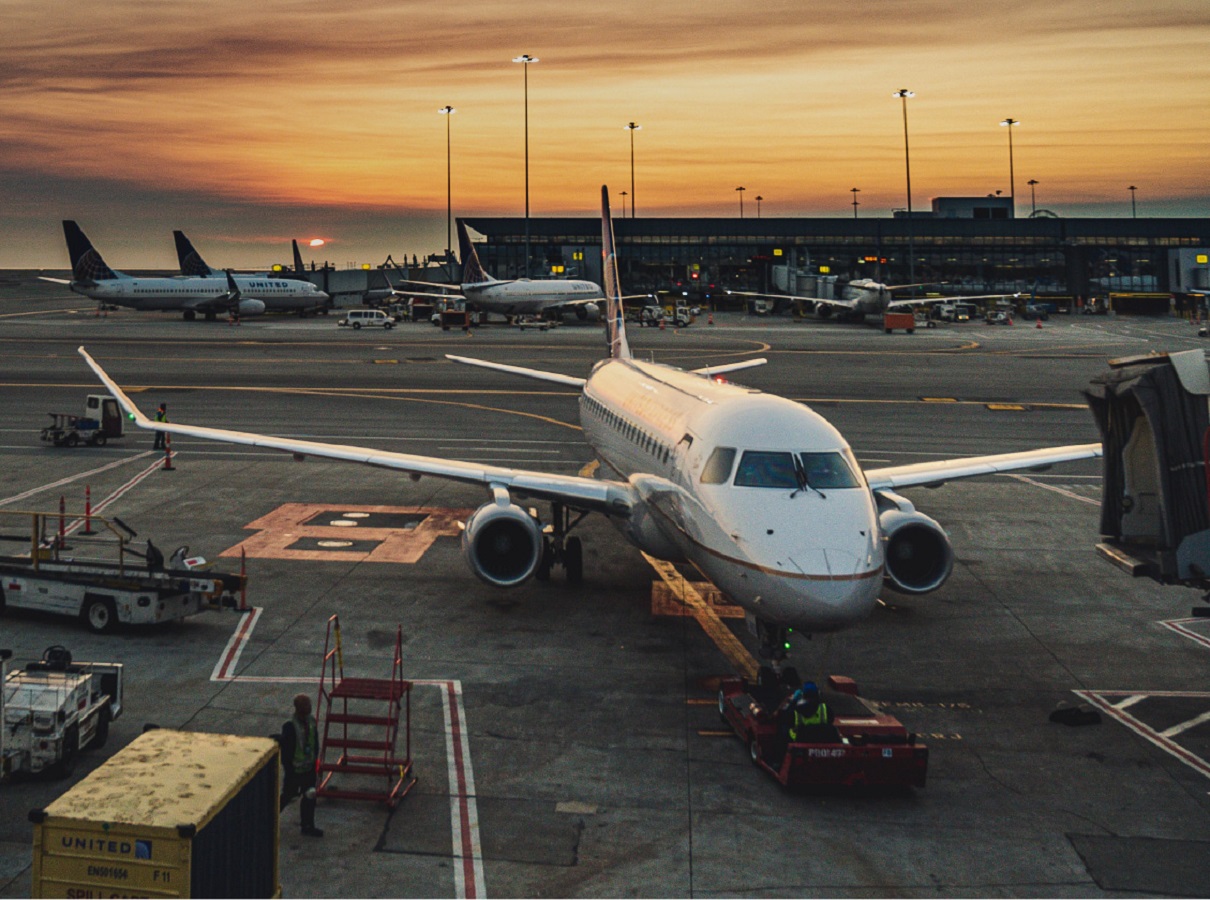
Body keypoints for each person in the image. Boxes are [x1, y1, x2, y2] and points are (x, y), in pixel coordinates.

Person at [280, 693, 323, 837]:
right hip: (296, 770)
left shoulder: (311, 721)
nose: (310, 707)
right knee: (288, 796)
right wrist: (290, 770)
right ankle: (269, 820)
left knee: (310, 796)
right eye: (306, 705)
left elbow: (314, 742)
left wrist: (315, 760)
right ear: (298, 708)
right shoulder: (290, 726)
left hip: (308, 768)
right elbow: (287, 752)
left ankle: (308, 825)